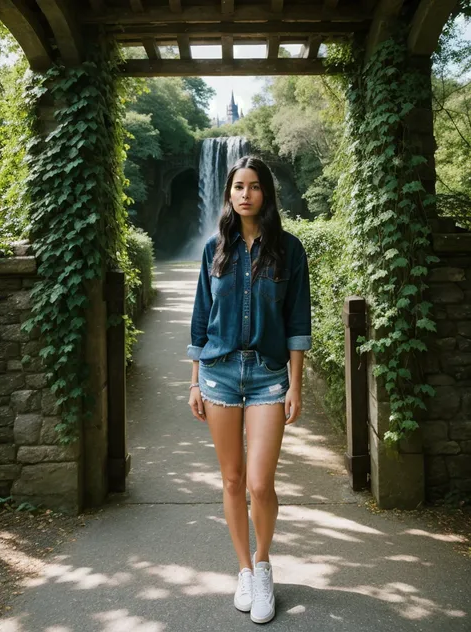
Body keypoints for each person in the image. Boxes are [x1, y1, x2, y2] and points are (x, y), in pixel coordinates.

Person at [187, 156, 311, 624]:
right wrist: (194, 381)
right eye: (238, 186)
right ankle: (242, 568)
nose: (245, 194)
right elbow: (200, 319)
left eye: (254, 186)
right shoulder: (214, 250)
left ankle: (263, 564)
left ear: (266, 194)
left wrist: (295, 385)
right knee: (233, 480)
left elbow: (298, 321)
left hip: (267, 376)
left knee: (260, 484)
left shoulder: (289, 250)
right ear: (228, 194)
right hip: (217, 373)